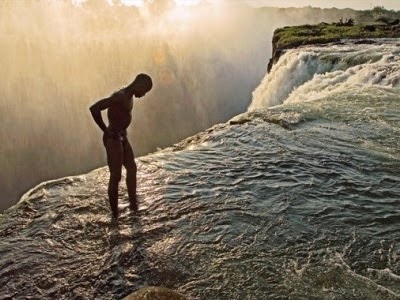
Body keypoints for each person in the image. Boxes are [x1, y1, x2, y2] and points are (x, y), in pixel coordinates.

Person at [90, 73, 153, 219]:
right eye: (144, 91)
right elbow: (95, 108)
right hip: (113, 138)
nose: (143, 95)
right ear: (139, 85)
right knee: (116, 176)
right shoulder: (120, 96)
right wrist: (105, 130)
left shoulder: (129, 96)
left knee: (132, 168)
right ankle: (115, 215)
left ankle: (133, 203)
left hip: (122, 137)